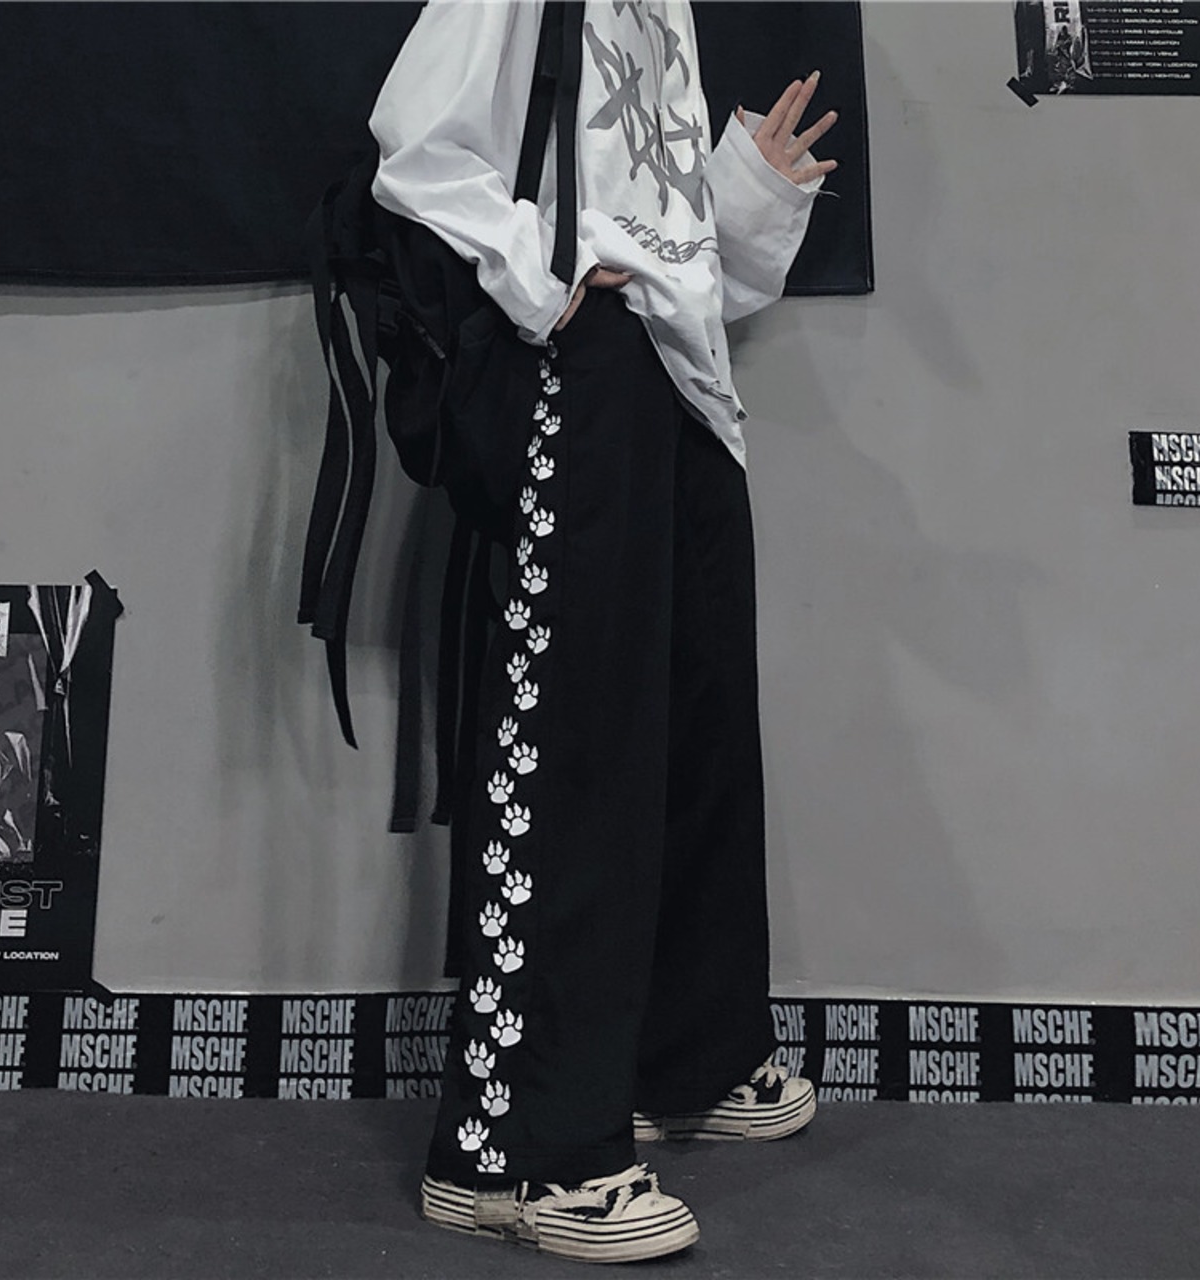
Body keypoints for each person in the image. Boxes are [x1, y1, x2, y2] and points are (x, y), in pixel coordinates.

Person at [369, 0, 837, 1262]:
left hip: (682, 385)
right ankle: (513, 1152)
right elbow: (417, 149)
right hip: (579, 377)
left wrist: (744, 195)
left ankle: (687, 1055)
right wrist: (546, 281)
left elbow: (681, 252)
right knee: (574, 748)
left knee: (690, 730)